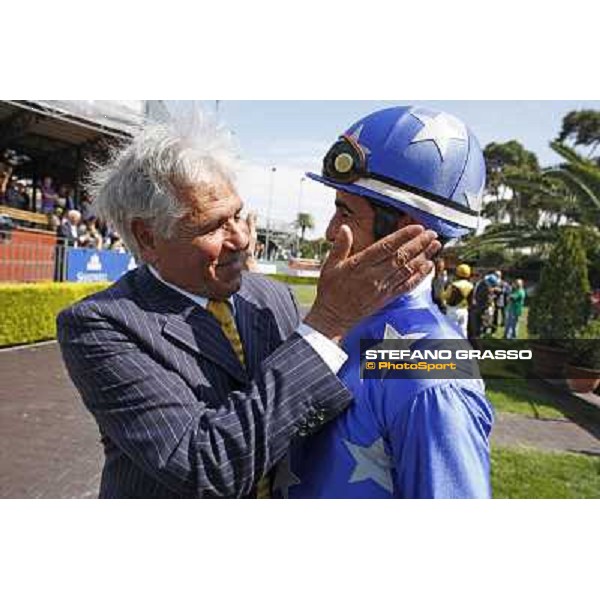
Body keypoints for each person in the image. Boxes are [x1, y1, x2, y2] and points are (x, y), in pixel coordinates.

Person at [57, 108, 440, 499]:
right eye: (212, 226)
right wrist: (328, 321)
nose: (241, 238)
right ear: (148, 238)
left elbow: (326, 389)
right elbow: (206, 468)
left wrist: (443, 364)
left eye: (239, 214)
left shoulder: (271, 296)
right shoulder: (100, 326)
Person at [272, 105, 493, 498]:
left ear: (407, 236)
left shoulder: (435, 377)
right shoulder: (344, 319)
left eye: (345, 212)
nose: (328, 232)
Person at [444, 263, 474, 338]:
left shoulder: (454, 285)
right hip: (464, 310)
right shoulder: (471, 285)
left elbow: (446, 296)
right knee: (463, 331)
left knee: (451, 331)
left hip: (453, 310)